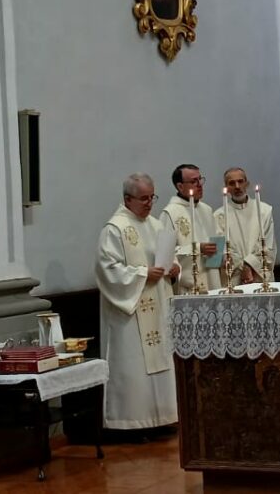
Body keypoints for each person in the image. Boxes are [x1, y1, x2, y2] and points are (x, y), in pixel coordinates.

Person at [95, 173, 181, 429]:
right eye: (143, 198)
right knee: (135, 368)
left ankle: (163, 417)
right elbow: (107, 269)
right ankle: (132, 422)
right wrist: (144, 274)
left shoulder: (156, 226)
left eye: (152, 197)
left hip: (159, 304)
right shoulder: (114, 229)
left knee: (162, 360)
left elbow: (170, 256)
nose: (149, 203)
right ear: (127, 199)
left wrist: (175, 268)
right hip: (130, 313)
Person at [159, 164, 220, 293]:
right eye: (193, 181)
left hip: (211, 280)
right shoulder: (170, 213)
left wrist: (222, 254)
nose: (199, 184)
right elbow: (165, 255)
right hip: (188, 287)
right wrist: (198, 248)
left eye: (200, 179)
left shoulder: (207, 210)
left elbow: (217, 242)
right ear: (180, 186)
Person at [214, 168, 276, 285]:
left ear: (247, 184)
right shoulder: (218, 216)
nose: (237, 186)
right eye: (231, 183)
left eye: (240, 181)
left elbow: (268, 245)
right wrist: (243, 268)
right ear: (226, 188)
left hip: (259, 275)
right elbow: (221, 251)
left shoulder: (264, 211)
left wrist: (249, 265)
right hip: (233, 279)